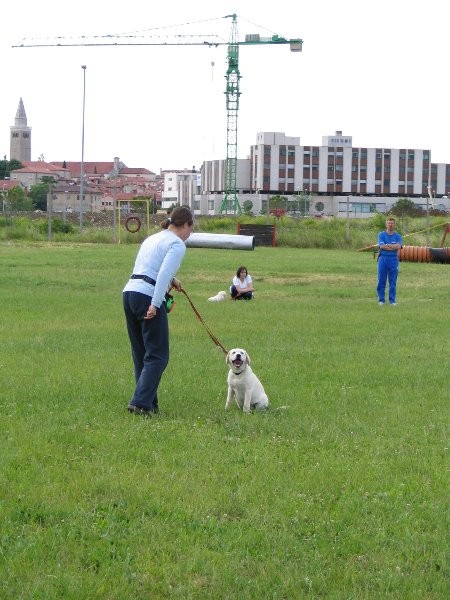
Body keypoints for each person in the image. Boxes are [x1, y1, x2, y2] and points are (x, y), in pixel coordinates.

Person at [122, 206, 194, 416]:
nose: (191, 233)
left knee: (142, 354)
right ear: (186, 224)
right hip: (147, 296)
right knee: (158, 355)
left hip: (129, 293)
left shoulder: (152, 238)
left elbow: (148, 267)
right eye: (192, 228)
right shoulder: (176, 244)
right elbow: (161, 274)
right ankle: (140, 403)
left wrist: (173, 280)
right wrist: (155, 303)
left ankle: (149, 403)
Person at [376, 217, 403, 306]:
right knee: (381, 280)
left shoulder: (398, 236)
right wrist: (393, 246)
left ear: (394, 225)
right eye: (388, 223)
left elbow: (399, 246)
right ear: (386, 224)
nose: (390, 225)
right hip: (383, 258)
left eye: (392, 223)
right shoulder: (381, 235)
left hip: (393, 259)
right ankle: (381, 300)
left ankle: (392, 301)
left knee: (392, 280)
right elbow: (382, 246)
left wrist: (387, 245)